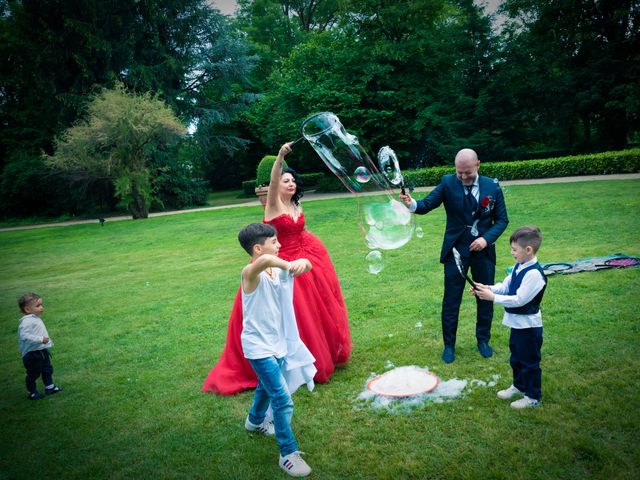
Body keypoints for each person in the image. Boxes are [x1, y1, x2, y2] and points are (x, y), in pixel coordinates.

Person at [202, 142, 351, 394]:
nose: (290, 184)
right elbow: (272, 183)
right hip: (281, 261)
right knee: (292, 311)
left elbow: (299, 228)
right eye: (285, 181)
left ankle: (314, 354)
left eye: (293, 181)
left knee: (317, 309)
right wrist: (280, 157)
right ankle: (292, 362)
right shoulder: (273, 204)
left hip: (306, 255)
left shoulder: (296, 204)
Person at [399, 148, 508, 363]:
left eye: (467, 172)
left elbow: (503, 220)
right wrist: (411, 203)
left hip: (483, 252)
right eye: (459, 173)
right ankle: (449, 346)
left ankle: (483, 340)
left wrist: (486, 239)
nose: (463, 177)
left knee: (484, 296)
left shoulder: (492, 187)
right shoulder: (448, 182)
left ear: (478, 164)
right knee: (451, 299)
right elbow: (426, 205)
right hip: (455, 251)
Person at [237, 223, 313, 477]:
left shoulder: (276, 271)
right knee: (281, 399)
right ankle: (287, 453)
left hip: (277, 342)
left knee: (265, 387)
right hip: (258, 347)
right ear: (258, 248)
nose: (279, 245)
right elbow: (266, 260)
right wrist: (289, 263)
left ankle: (254, 421)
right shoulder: (250, 273)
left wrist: (303, 262)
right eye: (274, 241)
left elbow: (305, 266)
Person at [473, 226, 546, 409]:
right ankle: (519, 386)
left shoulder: (534, 274)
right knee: (516, 358)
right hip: (517, 325)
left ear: (528, 250)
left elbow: (519, 300)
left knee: (529, 362)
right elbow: (505, 286)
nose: (512, 253)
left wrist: (493, 298)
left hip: (529, 327)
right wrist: (487, 288)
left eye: (514, 250)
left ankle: (533, 397)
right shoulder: (518, 267)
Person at [17, 293, 63, 400]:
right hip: (32, 354)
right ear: (28, 309)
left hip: (42, 350)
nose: (41, 307)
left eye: (41, 305)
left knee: (47, 369)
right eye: (38, 306)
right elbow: (24, 336)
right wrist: (41, 339)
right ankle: (32, 392)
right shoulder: (26, 322)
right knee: (33, 373)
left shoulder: (35, 318)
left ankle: (50, 388)